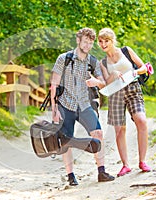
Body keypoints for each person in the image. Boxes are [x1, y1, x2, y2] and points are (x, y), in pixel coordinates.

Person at [50, 27, 115, 186]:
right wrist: (54, 109)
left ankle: (101, 172)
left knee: (98, 133)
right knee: (65, 139)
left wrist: (96, 82)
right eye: (85, 42)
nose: (87, 45)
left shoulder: (93, 61)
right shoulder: (63, 59)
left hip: (85, 105)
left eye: (90, 43)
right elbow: (54, 83)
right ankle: (71, 176)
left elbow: (103, 84)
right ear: (78, 40)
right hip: (65, 105)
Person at [97, 27, 151, 177]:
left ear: (112, 40)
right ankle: (126, 165)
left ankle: (142, 161)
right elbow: (107, 83)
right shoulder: (103, 62)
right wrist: (113, 74)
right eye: (100, 41)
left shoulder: (126, 51)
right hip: (115, 93)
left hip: (133, 89)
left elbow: (143, 67)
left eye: (106, 41)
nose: (103, 44)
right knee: (120, 130)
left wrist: (135, 72)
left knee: (141, 121)